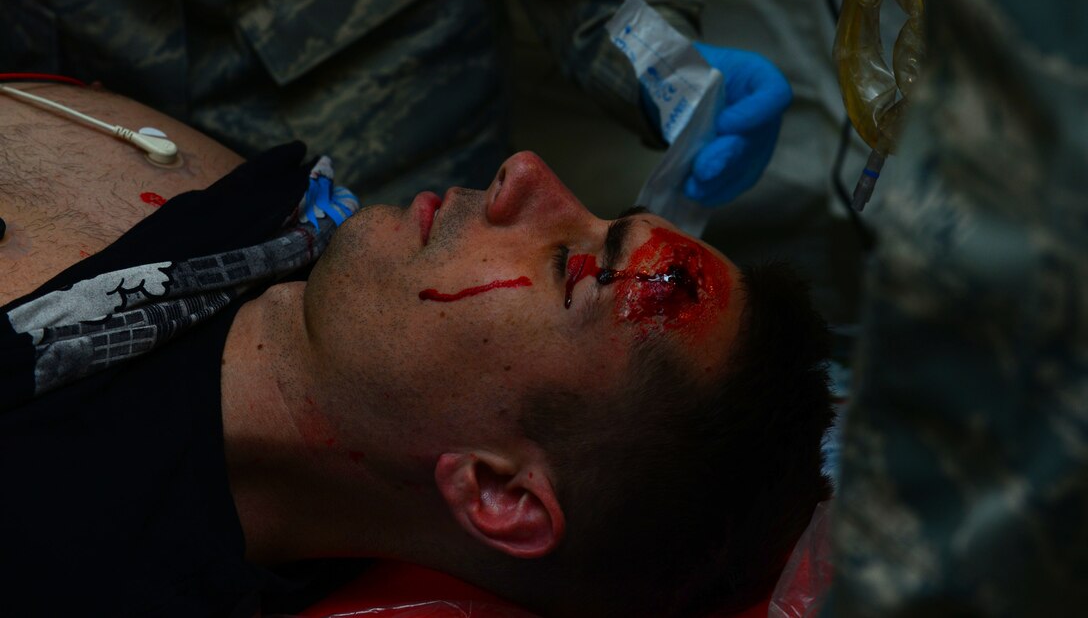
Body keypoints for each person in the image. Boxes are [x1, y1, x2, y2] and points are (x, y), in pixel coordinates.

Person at [0, 83, 832, 617]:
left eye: (569, 268)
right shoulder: (279, 213)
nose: (525, 173)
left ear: (498, 492)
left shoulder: (60, 559)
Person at [0, 0, 791, 210]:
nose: (530, 191)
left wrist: (658, 60)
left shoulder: (432, 226)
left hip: (385, 99)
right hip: (74, 116)